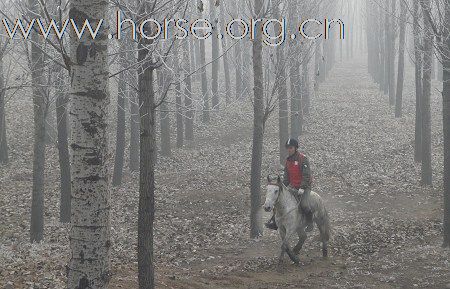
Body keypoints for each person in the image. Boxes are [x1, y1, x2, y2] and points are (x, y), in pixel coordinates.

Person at [265, 138, 314, 232]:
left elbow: (306, 175)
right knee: (278, 201)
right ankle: (274, 222)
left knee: (304, 205)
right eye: (288, 148)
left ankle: (310, 223)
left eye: (291, 148)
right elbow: (286, 178)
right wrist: (282, 187)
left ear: (295, 148)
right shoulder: (288, 161)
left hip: (304, 187)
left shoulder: (303, 159)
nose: (289, 150)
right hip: (292, 186)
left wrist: (302, 188)